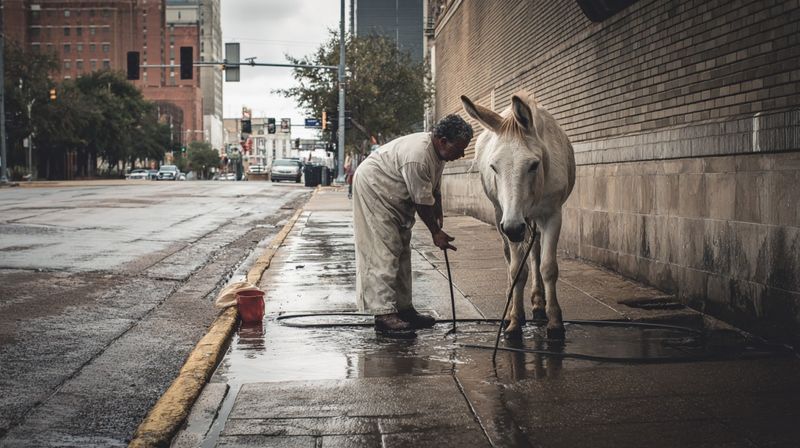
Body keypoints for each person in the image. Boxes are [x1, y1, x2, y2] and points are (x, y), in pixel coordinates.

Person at [352, 115, 473, 337]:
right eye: (459, 149)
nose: (462, 154)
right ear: (443, 141)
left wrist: (439, 212)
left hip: (393, 193)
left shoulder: (438, 155)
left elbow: (433, 190)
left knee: (401, 250)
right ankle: (384, 314)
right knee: (383, 250)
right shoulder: (418, 157)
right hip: (374, 188)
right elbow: (421, 202)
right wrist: (436, 232)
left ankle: (404, 309)